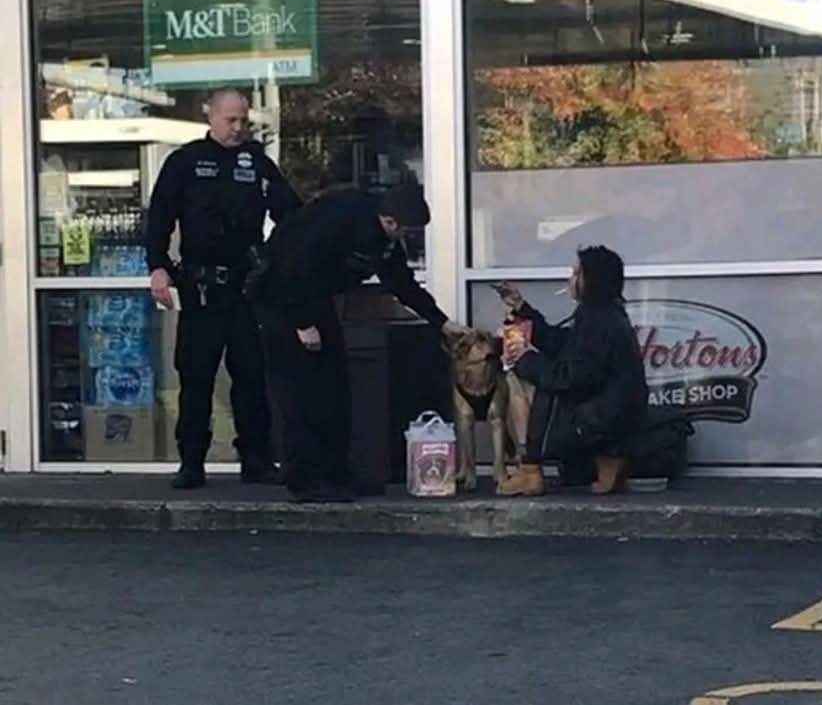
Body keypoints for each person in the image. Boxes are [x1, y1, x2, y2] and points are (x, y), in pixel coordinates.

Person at [249, 183, 468, 503]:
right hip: (281, 300)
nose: (406, 238)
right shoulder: (339, 219)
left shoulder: (384, 239)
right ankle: (304, 480)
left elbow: (401, 284)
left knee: (334, 390)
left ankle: (337, 474)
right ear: (390, 221)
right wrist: (302, 323)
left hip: (317, 299)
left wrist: (442, 323)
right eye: (405, 231)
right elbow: (292, 266)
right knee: (301, 394)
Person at [146, 88, 302, 489]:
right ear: (210, 116)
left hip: (246, 288)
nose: (238, 128)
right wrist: (158, 266)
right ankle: (191, 462)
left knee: (251, 377)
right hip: (202, 288)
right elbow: (160, 217)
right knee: (196, 378)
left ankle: (256, 460)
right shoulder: (185, 162)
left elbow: (291, 214)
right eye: (230, 120)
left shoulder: (257, 162)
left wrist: (274, 258)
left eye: (243, 120)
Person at [495, 245, 647, 497]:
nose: (570, 279)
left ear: (592, 280)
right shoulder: (604, 314)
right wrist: (522, 308)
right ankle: (603, 462)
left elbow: (568, 378)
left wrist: (523, 360)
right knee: (535, 373)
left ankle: (530, 469)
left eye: (577, 273)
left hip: (604, 420)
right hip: (613, 413)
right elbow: (561, 344)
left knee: (522, 381)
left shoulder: (598, 321)